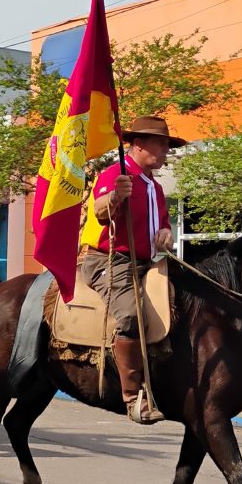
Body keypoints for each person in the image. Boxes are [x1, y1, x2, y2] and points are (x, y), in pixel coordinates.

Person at [80, 115, 186, 425]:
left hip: (147, 263)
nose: (166, 151)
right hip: (109, 261)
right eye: (162, 145)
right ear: (138, 144)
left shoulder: (155, 188)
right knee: (129, 314)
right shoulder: (115, 174)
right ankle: (131, 397)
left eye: (168, 145)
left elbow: (163, 225)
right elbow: (98, 211)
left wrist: (166, 233)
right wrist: (114, 197)